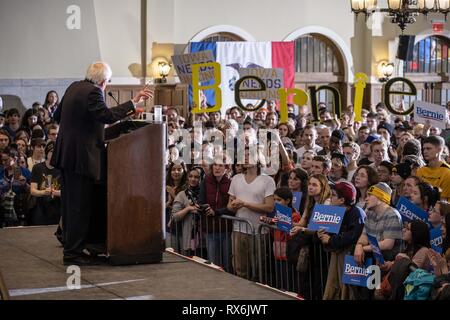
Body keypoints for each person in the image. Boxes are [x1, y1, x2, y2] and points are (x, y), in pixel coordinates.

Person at [51, 61, 153, 266]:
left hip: (66, 156)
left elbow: (57, 116)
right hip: (81, 159)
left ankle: (73, 248)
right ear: (103, 81)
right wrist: (132, 103)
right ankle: (72, 254)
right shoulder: (93, 92)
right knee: (79, 208)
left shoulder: (74, 87)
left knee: (71, 206)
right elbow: (105, 115)